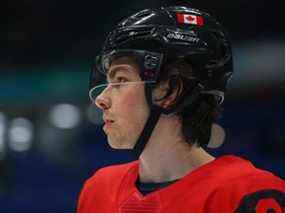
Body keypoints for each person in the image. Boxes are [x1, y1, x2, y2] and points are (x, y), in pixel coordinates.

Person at [77, 6, 285, 213]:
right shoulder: (98, 190)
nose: (101, 99)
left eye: (121, 80)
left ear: (170, 90)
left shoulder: (248, 194)